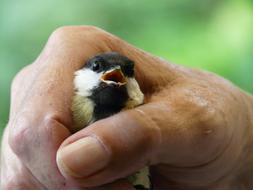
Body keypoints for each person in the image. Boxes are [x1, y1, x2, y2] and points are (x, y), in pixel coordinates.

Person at [1, 26, 253, 190]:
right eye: (98, 68)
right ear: (80, 76)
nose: (116, 73)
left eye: (127, 71)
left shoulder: (139, 109)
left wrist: (245, 147)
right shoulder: (70, 110)